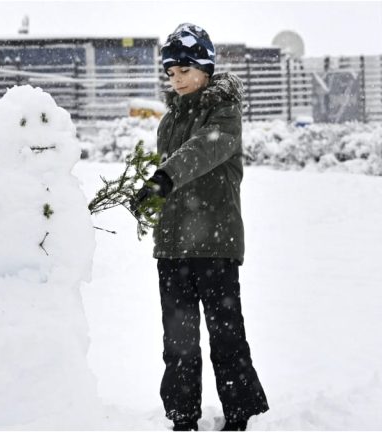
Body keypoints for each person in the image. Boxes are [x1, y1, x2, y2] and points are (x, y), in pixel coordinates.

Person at [130, 23, 269, 431]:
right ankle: (182, 417)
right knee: (178, 343)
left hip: (214, 243)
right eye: (172, 74)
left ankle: (241, 415)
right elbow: (174, 172)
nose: (178, 80)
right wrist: (151, 200)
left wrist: (164, 178)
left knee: (226, 339)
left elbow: (206, 148)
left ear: (206, 68)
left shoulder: (224, 112)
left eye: (185, 71)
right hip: (173, 247)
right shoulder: (169, 121)